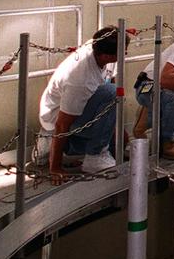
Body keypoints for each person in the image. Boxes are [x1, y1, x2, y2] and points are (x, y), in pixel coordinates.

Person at [39, 26, 127, 176]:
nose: (125, 54)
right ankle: (93, 157)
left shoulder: (100, 45)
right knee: (112, 92)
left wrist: (117, 128)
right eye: (122, 52)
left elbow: (110, 83)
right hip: (58, 118)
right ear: (105, 56)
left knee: (119, 141)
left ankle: (83, 150)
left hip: (81, 107)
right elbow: (62, 124)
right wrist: (55, 168)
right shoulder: (79, 80)